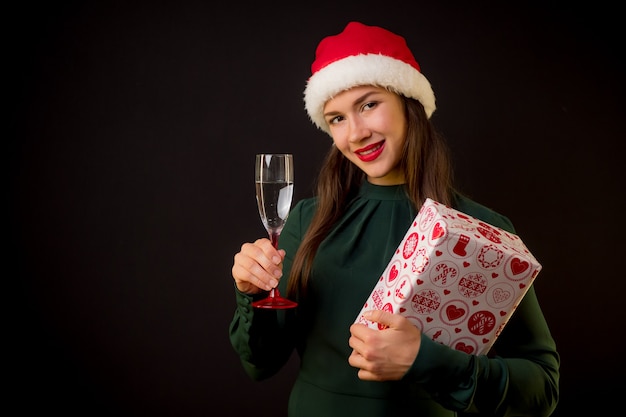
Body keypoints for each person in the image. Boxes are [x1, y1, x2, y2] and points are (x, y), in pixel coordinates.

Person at [229, 21, 560, 417]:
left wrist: (426, 359)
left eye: (369, 105)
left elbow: (542, 389)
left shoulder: (482, 231)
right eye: (336, 118)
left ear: (408, 101)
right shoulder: (308, 219)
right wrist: (251, 293)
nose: (355, 134)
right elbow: (259, 364)